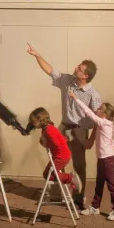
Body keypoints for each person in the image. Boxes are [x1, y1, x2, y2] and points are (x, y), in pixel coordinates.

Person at [26, 43, 101, 206]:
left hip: (80, 131)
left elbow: (98, 120)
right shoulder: (67, 80)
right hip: (64, 126)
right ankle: (57, 194)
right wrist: (37, 55)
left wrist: (91, 140)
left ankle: (79, 199)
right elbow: (50, 70)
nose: (76, 68)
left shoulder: (93, 95)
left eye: (80, 69)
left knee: (79, 165)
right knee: (56, 161)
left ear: (86, 76)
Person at [68, 89, 114, 221]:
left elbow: (88, 112)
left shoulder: (103, 123)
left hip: (107, 159)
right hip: (102, 158)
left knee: (111, 184)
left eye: (99, 108)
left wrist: (75, 98)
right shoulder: (107, 123)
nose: (97, 109)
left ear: (103, 114)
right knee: (99, 183)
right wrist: (113, 144)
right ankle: (95, 207)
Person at [26, 107, 80, 193]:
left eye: (34, 121)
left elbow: (56, 144)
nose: (33, 124)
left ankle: (70, 178)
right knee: (46, 174)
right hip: (61, 155)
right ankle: (64, 183)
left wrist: (45, 144)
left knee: (48, 174)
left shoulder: (48, 130)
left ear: (40, 120)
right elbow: (62, 139)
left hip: (61, 156)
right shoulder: (48, 128)